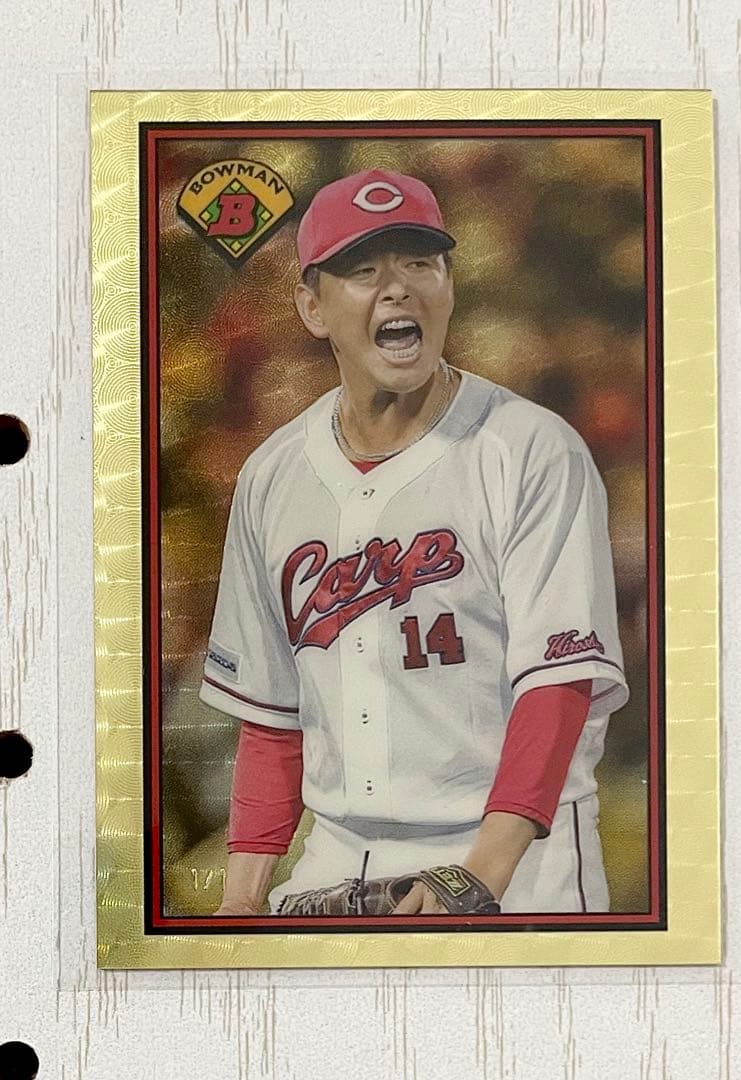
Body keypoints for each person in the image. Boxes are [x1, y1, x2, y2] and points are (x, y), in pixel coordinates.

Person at [200, 168, 628, 917]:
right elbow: (270, 718)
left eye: (419, 263)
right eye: (364, 271)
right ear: (312, 308)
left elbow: (557, 688)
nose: (397, 289)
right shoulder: (273, 475)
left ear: (449, 287)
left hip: (519, 860)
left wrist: (479, 877)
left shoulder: (530, 450)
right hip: (337, 860)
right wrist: (238, 908)